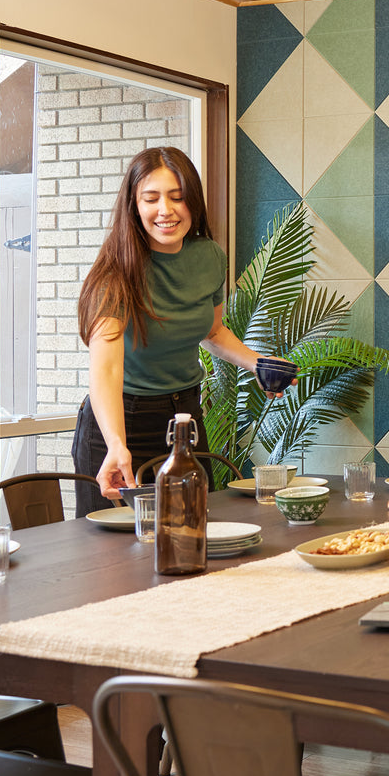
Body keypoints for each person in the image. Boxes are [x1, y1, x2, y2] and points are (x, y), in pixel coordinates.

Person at [72, 146, 289, 516]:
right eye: (151, 198)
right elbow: (106, 369)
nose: (165, 210)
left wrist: (259, 364)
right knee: (111, 550)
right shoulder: (115, 272)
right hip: (121, 420)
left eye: (178, 197)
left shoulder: (209, 257)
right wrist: (116, 444)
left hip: (184, 418)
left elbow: (213, 331)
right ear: (134, 206)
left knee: (192, 533)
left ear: (194, 201)